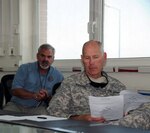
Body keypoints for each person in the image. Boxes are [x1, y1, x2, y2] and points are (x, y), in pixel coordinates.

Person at [47, 40, 126, 121]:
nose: (91, 62)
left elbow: (131, 115)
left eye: (95, 57)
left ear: (104, 57)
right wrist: (79, 118)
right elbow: (52, 111)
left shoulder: (118, 87)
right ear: (82, 59)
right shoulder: (70, 84)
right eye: (87, 58)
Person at [3, 43, 64, 115]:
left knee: (47, 119)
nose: (45, 59)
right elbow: (15, 90)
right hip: (17, 106)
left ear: (53, 59)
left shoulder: (58, 75)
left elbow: (60, 100)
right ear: (37, 56)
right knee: (4, 118)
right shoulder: (24, 68)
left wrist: (46, 97)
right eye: (42, 56)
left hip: (38, 109)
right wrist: (33, 95)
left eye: (49, 57)